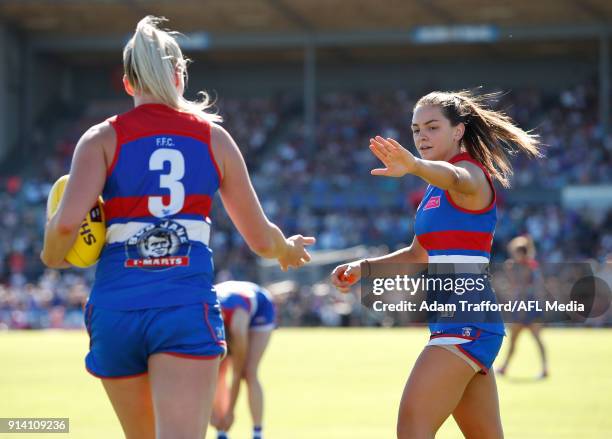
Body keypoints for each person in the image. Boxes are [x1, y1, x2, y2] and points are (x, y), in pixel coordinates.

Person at [41, 16, 314, 439]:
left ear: (128, 83)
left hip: (116, 311)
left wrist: (52, 256)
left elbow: (65, 230)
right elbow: (260, 238)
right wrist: (286, 249)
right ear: (179, 76)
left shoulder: (99, 139)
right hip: (183, 308)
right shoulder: (214, 139)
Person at [331, 90, 541, 439]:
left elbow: (454, 177)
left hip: (466, 325)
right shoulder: (432, 190)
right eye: (416, 130)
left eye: (432, 127)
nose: (421, 137)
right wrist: (362, 267)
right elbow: (418, 254)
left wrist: (413, 165)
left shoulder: (470, 173)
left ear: (458, 131)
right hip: (457, 325)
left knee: (412, 428)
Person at [211, 281, 276, 439]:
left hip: (260, 307)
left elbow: (237, 374)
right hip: (229, 302)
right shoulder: (207, 322)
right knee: (217, 372)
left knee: (249, 372)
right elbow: (204, 377)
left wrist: (230, 412)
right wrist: (211, 414)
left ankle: (257, 432)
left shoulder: (237, 329)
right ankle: (221, 431)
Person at [497, 235, 548, 379]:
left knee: (535, 338)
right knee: (514, 340)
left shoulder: (529, 267)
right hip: (523, 305)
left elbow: (527, 289)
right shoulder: (517, 266)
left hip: (527, 306)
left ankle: (544, 368)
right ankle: (505, 367)